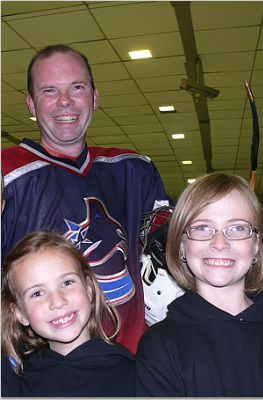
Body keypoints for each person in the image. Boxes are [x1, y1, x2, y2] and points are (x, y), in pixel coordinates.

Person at [1, 44, 171, 353]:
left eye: (76, 87)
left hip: (131, 363)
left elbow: (173, 252)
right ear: (31, 103)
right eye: (49, 91)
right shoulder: (7, 175)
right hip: (40, 372)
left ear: (94, 97)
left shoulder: (135, 171)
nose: (65, 101)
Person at [135, 172, 263, 397]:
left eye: (237, 228)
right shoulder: (161, 345)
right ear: (181, 246)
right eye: (203, 228)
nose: (220, 243)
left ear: (256, 245)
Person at [1, 231, 135, 397]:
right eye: (37, 293)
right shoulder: (16, 385)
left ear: (89, 289)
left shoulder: (135, 374)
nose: (57, 301)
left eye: (67, 282)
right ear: (20, 313)